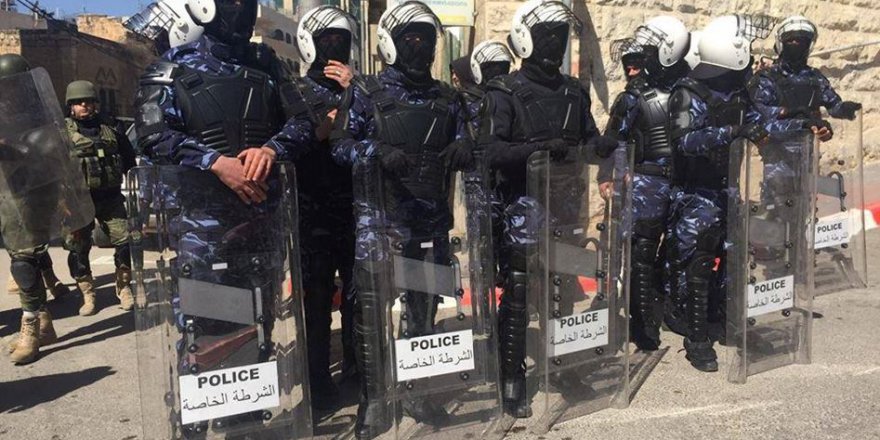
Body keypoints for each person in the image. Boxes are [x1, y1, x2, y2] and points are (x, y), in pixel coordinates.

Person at [134, 0, 315, 434]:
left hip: (260, 221)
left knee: (256, 324)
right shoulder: (172, 67)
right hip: (203, 227)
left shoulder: (266, 64)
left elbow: (303, 123)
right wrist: (215, 162)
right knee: (203, 329)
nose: (240, 11)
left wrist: (270, 149)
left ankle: (245, 420)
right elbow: (151, 133)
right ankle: (194, 421)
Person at [330, 1, 472, 437]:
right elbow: (340, 145)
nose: (418, 46)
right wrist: (376, 152)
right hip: (381, 225)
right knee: (371, 315)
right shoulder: (367, 92)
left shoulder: (448, 98)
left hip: (430, 223)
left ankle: (418, 390)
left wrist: (465, 147)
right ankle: (374, 399)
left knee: (423, 312)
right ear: (391, 43)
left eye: (425, 38)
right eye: (409, 37)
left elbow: (468, 139)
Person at [477, 0, 617, 417]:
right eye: (546, 36)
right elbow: (490, 151)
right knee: (519, 293)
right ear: (525, 39)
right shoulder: (503, 92)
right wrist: (537, 149)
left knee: (564, 291)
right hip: (524, 209)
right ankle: (511, 377)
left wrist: (603, 148)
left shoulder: (574, 91)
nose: (554, 44)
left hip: (567, 209)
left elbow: (587, 139)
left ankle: (564, 364)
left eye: (560, 36)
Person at [666, 14, 772, 372]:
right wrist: (730, 132)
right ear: (732, 52)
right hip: (696, 194)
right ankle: (697, 338)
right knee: (698, 265)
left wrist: (798, 125)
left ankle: (729, 323)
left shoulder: (739, 92)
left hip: (728, 189)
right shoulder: (689, 92)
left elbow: (760, 123)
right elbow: (685, 142)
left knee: (734, 260)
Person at [603, 16, 691, 351]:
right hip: (649, 181)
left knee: (674, 251)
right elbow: (616, 141)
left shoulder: (686, 89)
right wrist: (617, 175)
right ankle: (642, 322)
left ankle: (666, 312)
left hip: (676, 181)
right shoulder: (635, 96)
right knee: (642, 253)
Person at [1, 54, 95, 364]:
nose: (8, 93)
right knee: (26, 257)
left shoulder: (39, 114)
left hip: (35, 194)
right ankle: (43, 322)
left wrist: (12, 148)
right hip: (8, 193)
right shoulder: (4, 113)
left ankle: (31, 325)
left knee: (23, 259)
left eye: (11, 86)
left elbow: (50, 150)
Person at [293, 4, 359, 411]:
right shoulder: (295, 91)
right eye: (326, 40)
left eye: (341, 40)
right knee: (316, 302)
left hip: (355, 208)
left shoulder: (360, 88)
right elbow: (285, 145)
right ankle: (317, 380)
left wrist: (355, 90)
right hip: (313, 211)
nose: (334, 47)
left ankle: (357, 370)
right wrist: (322, 129)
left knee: (358, 297)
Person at [63, 80, 137, 316]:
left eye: (88, 101)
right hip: (79, 201)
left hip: (111, 198)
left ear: (95, 103)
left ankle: (124, 287)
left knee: (124, 242)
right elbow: (54, 169)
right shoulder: (62, 133)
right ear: (71, 106)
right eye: (78, 102)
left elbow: (129, 159)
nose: (84, 106)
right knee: (78, 248)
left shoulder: (111, 128)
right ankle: (87, 293)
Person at [748, 16, 861, 138]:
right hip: (775, 148)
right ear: (781, 44)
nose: (795, 44)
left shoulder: (815, 78)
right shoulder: (767, 78)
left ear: (808, 45)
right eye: (790, 40)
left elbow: (833, 106)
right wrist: (800, 123)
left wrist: (845, 109)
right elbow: (759, 119)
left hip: (808, 148)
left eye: (801, 41)